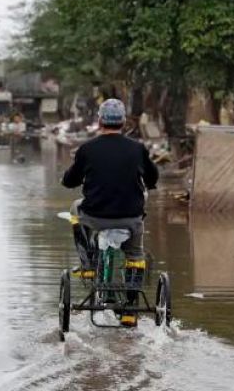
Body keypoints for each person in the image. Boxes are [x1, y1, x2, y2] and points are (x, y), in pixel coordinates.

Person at [61, 98, 159, 326]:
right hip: (129, 217)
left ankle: (87, 265)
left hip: (95, 217)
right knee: (135, 255)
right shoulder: (137, 149)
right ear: (123, 122)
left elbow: (71, 178)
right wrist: (149, 184)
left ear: (99, 121)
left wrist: (66, 180)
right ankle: (129, 311)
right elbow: (152, 177)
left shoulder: (87, 149)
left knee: (75, 207)